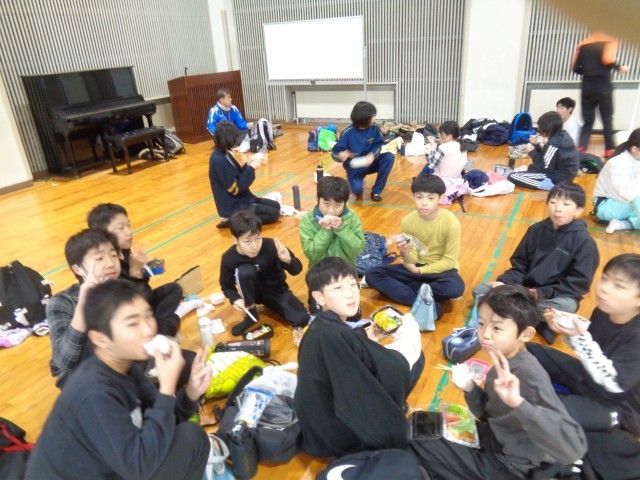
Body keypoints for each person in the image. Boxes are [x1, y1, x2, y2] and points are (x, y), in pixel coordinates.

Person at [26, 280, 212, 480]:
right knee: (192, 439)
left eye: (148, 316)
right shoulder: (93, 391)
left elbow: (165, 420)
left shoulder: (126, 367)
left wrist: (191, 394)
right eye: (132, 323)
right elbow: (139, 467)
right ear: (100, 338)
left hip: (115, 466)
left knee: (189, 435)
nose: (148, 330)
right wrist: (166, 388)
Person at [411, 285, 587, 479]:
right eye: (481, 323)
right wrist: (470, 388)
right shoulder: (501, 365)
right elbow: (489, 415)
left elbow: (573, 448)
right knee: (419, 424)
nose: (485, 334)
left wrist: (519, 404)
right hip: (495, 438)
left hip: (509, 465)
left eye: (497, 327)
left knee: (418, 446)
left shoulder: (529, 374)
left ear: (526, 334)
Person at [295, 257, 424, 458]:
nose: (350, 294)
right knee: (415, 360)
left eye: (352, 285)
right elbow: (396, 366)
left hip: (319, 427)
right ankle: (393, 407)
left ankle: (392, 404)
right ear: (319, 297)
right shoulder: (334, 334)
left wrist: (368, 335)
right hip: (339, 435)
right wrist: (409, 329)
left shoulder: (320, 327)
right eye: (338, 288)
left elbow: (349, 351)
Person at [528, 254, 640, 437]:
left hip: (620, 406)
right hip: (590, 380)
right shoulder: (603, 312)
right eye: (604, 279)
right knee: (529, 350)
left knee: (551, 411)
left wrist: (580, 338)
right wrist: (569, 333)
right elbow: (592, 353)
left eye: (618, 286)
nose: (604, 288)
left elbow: (615, 382)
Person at [473, 182, 599, 343]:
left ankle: (512, 312)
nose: (558, 208)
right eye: (553, 202)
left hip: (555, 296)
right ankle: (532, 319)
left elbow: (576, 285)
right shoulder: (536, 230)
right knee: (481, 291)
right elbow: (520, 265)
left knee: (565, 308)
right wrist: (505, 282)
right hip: (524, 289)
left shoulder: (585, 242)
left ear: (579, 210)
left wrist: (540, 293)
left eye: (566, 204)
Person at [87, 203, 202, 337]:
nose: (129, 232)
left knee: (174, 288)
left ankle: (162, 319)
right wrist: (136, 275)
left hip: (143, 300)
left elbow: (146, 292)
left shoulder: (125, 251)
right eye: (121, 228)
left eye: (128, 225)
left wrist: (145, 270)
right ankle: (175, 315)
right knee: (166, 329)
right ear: (103, 234)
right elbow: (134, 304)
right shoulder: (109, 268)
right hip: (131, 313)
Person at [365, 174, 465, 306]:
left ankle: (409, 290)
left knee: (455, 288)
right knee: (373, 274)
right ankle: (426, 300)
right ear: (413, 197)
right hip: (415, 267)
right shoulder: (407, 221)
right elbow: (413, 260)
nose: (424, 203)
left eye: (431, 198)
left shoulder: (451, 222)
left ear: (441, 198)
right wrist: (405, 253)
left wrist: (419, 271)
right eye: (419, 197)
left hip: (441, 271)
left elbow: (449, 261)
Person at [47, 228, 121, 388]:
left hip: (123, 364)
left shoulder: (123, 290)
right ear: (77, 269)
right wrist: (83, 305)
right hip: (81, 377)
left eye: (114, 255)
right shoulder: (62, 302)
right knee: (94, 344)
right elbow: (64, 362)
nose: (110, 263)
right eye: (99, 258)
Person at [219, 211, 308, 336]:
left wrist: (288, 260)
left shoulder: (272, 246)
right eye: (248, 241)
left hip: (276, 291)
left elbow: (297, 270)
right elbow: (226, 285)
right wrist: (235, 299)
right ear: (235, 240)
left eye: (258, 238)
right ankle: (251, 315)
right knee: (245, 272)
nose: (254, 246)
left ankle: (272, 304)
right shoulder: (229, 257)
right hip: (251, 295)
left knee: (302, 319)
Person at [299, 176, 365, 312]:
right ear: (318, 199)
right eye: (326, 204)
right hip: (321, 276)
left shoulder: (351, 217)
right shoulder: (307, 220)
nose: (331, 211)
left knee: (353, 316)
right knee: (318, 314)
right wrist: (325, 231)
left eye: (338, 205)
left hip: (345, 275)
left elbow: (358, 249)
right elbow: (312, 255)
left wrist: (342, 229)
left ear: (345, 203)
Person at [209, 121, 280, 228]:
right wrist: (251, 169)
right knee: (274, 214)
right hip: (233, 206)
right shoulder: (218, 160)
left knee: (276, 206)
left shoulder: (224, 153)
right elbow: (235, 189)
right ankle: (233, 220)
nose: (237, 140)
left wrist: (248, 165)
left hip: (242, 199)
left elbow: (237, 175)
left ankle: (239, 218)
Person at [572, 31, 629, 158]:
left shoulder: (583, 45)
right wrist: (620, 68)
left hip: (587, 85)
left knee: (587, 121)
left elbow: (575, 68)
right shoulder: (609, 41)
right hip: (603, 85)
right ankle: (609, 150)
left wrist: (588, 72)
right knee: (607, 120)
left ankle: (581, 148)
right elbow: (607, 60)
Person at [332, 101, 395, 202]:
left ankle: (377, 190)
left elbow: (379, 144)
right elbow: (335, 153)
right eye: (373, 116)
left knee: (389, 157)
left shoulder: (375, 128)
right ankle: (354, 182)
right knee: (357, 191)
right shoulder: (347, 132)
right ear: (364, 118)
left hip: (370, 162)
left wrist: (373, 154)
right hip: (355, 167)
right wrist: (340, 157)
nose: (375, 119)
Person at [508, 111, 579, 190]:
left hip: (558, 178)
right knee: (531, 168)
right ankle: (545, 181)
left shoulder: (553, 143)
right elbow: (546, 158)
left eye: (540, 127)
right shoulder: (563, 135)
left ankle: (548, 185)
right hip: (564, 174)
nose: (538, 129)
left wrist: (532, 152)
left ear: (547, 128)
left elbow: (544, 167)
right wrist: (536, 145)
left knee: (513, 176)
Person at [592, 128, 640, 233]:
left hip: (625, 204)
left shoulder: (636, 161)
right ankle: (628, 223)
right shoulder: (617, 163)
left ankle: (623, 224)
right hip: (606, 206)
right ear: (635, 149)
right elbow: (627, 195)